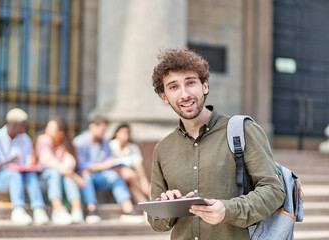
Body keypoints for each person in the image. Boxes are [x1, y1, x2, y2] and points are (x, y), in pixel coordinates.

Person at [147, 48, 286, 239]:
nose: (184, 94)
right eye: (173, 87)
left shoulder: (243, 130)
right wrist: (167, 207)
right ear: (164, 97)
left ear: (205, 85)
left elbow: (274, 191)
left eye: (191, 82)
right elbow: (156, 222)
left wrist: (228, 210)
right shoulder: (162, 149)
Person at [0, 108, 49, 225]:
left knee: (31, 174)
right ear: (13, 125)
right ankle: (18, 209)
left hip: (21, 177)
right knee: (14, 174)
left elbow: (28, 161)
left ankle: (38, 209)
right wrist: (9, 162)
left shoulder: (25, 139)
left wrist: (34, 165)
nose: (25, 128)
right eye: (23, 125)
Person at [73, 115, 144, 224]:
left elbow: (109, 160)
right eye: (101, 130)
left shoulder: (105, 142)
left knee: (115, 176)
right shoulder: (80, 142)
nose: (103, 133)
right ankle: (92, 210)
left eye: (104, 130)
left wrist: (110, 165)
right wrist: (102, 165)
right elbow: (82, 166)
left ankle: (127, 209)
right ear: (92, 127)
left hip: (101, 176)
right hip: (84, 176)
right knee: (86, 174)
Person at [34, 116, 85, 225]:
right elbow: (47, 160)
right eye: (48, 128)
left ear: (61, 133)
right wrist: (74, 176)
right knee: (55, 172)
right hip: (43, 178)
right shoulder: (43, 140)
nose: (48, 131)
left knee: (67, 176)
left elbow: (70, 162)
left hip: (62, 179)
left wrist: (68, 172)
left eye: (52, 129)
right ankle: (57, 210)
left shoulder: (64, 145)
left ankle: (77, 209)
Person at [109, 123, 150, 203]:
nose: (125, 135)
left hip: (133, 177)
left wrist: (143, 179)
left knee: (132, 184)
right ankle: (146, 190)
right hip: (116, 172)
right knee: (130, 175)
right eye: (123, 132)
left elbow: (138, 163)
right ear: (116, 133)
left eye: (127, 133)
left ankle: (144, 203)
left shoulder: (133, 147)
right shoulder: (110, 145)